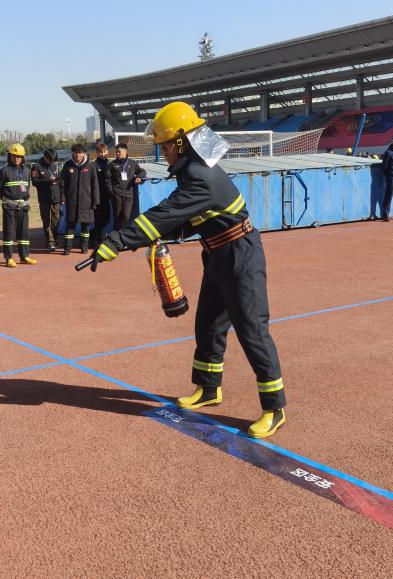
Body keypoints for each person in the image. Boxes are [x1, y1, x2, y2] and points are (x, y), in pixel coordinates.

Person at [89, 102, 287, 439]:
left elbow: (163, 215)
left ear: (182, 142)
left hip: (240, 257)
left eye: (165, 145)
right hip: (218, 254)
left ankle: (274, 408)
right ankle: (209, 388)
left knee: (252, 330)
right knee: (208, 324)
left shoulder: (200, 177)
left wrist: (117, 241)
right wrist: (153, 237)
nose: (163, 152)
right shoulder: (193, 170)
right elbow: (188, 221)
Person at [0, 145, 36, 267]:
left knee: (24, 233)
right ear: (10, 156)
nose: (17, 158)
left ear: (22, 158)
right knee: (9, 232)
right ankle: (9, 258)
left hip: (23, 207)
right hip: (9, 207)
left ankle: (24, 256)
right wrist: (7, 200)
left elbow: (27, 187)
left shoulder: (26, 171)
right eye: (14, 156)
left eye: (19, 156)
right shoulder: (4, 170)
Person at [60, 143, 99, 255]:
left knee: (85, 226)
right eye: (76, 153)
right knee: (70, 225)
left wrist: (95, 200)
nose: (78, 155)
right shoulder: (68, 165)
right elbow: (62, 183)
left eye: (80, 153)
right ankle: (67, 248)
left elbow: (95, 184)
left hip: (86, 201)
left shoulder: (90, 165)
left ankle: (84, 247)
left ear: (84, 153)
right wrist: (63, 197)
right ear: (73, 153)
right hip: (71, 200)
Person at [108, 143, 147, 230]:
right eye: (116, 152)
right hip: (116, 194)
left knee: (126, 216)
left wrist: (139, 177)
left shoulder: (132, 163)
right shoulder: (112, 164)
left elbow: (142, 171)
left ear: (125, 151)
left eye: (119, 151)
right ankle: (117, 234)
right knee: (117, 217)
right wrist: (111, 192)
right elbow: (107, 179)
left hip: (129, 195)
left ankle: (118, 234)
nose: (117, 153)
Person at [31, 149, 62, 251]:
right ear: (45, 157)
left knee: (56, 220)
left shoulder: (54, 166)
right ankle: (50, 242)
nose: (51, 162)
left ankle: (55, 239)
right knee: (46, 221)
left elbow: (59, 179)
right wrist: (48, 181)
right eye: (50, 160)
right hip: (44, 199)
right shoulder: (37, 167)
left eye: (53, 161)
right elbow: (34, 182)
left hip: (55, 198)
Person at [91, 143, 113, 249]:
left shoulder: (110, 164)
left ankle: (94, 233)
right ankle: (97, 239)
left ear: (107, 152)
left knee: (107, 218)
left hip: (106, 195)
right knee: (98, 219)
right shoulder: (94, 165)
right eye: (100, 152)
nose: (102, 154)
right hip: (97, 196)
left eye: (104, 152)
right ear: (97, 153)